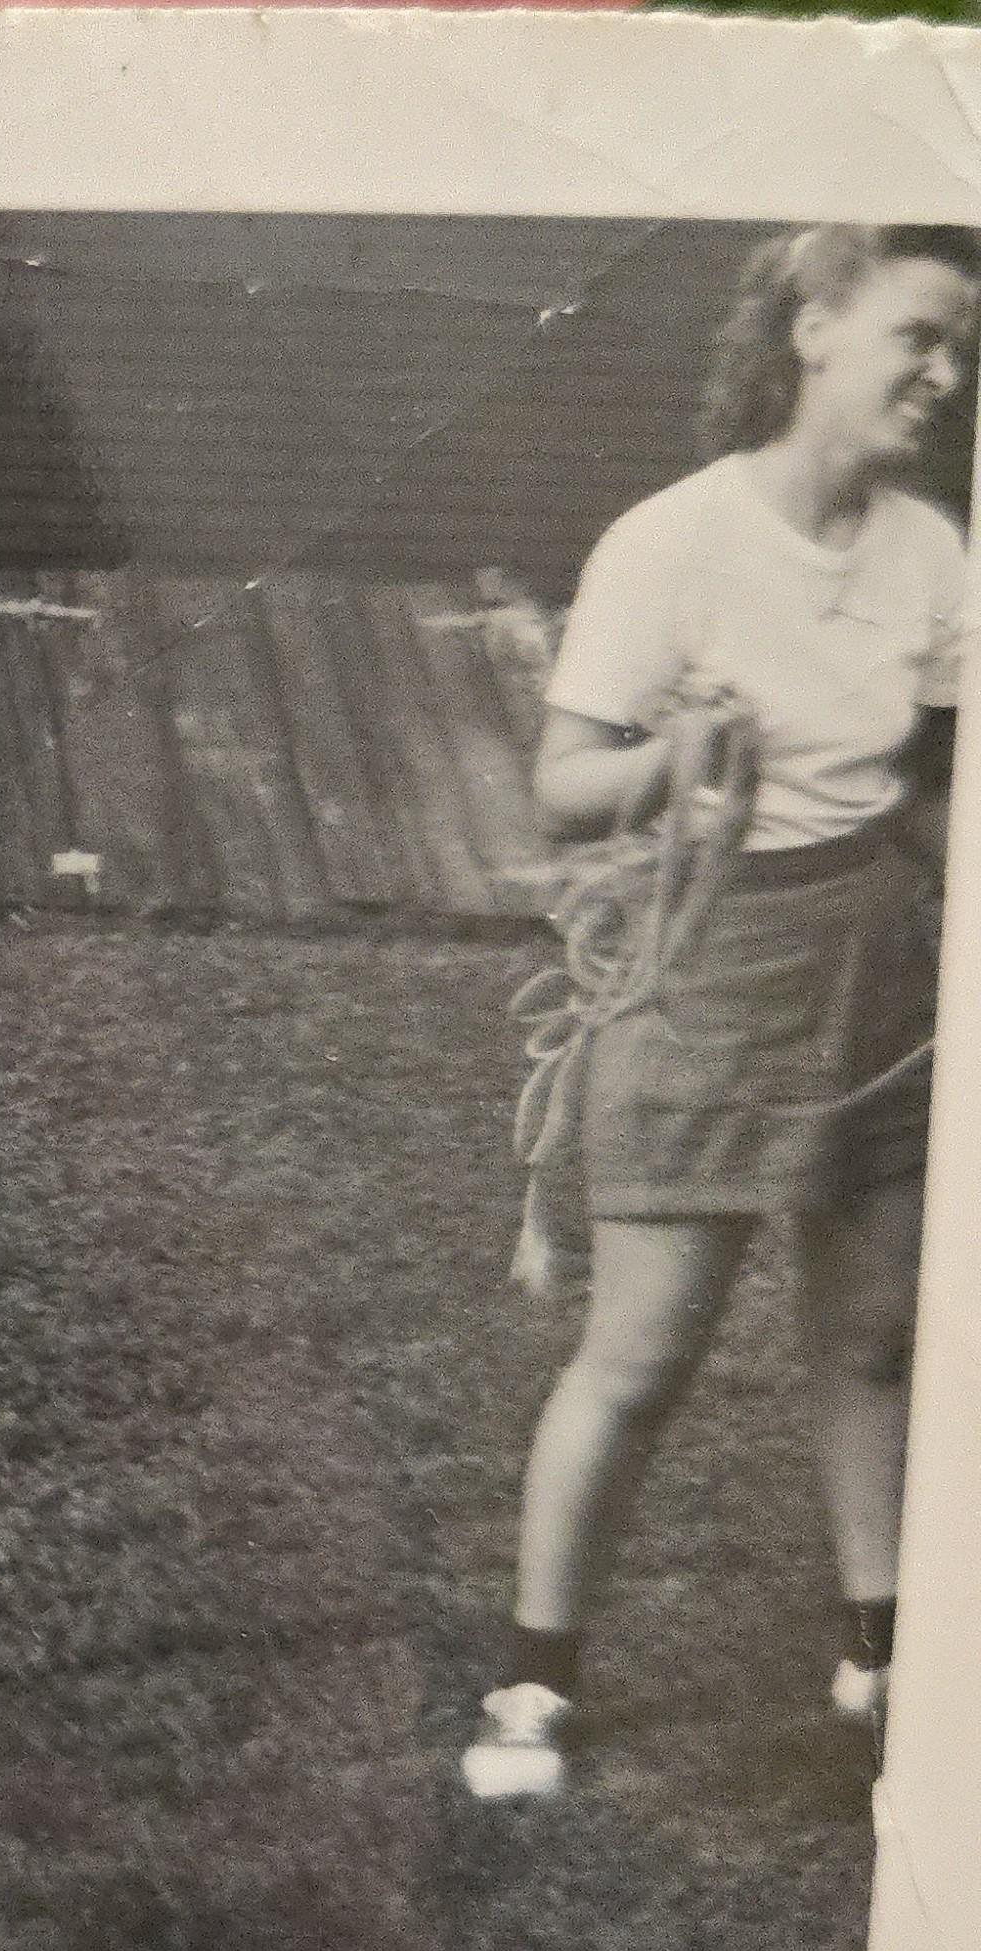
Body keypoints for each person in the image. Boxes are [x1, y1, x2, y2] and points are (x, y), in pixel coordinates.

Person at [464, 224, 977, 1801]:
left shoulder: (931, 551)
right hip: (706, 968)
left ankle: (881, 1655)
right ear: (815, 328)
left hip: (878, 975)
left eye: (961, 350)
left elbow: (927, 790)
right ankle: (533, 1685)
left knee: (875, 1339)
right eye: (919, 337)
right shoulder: (673, 542)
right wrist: (676, 757)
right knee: (643, 1351)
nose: (946, 375)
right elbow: (564, 786)